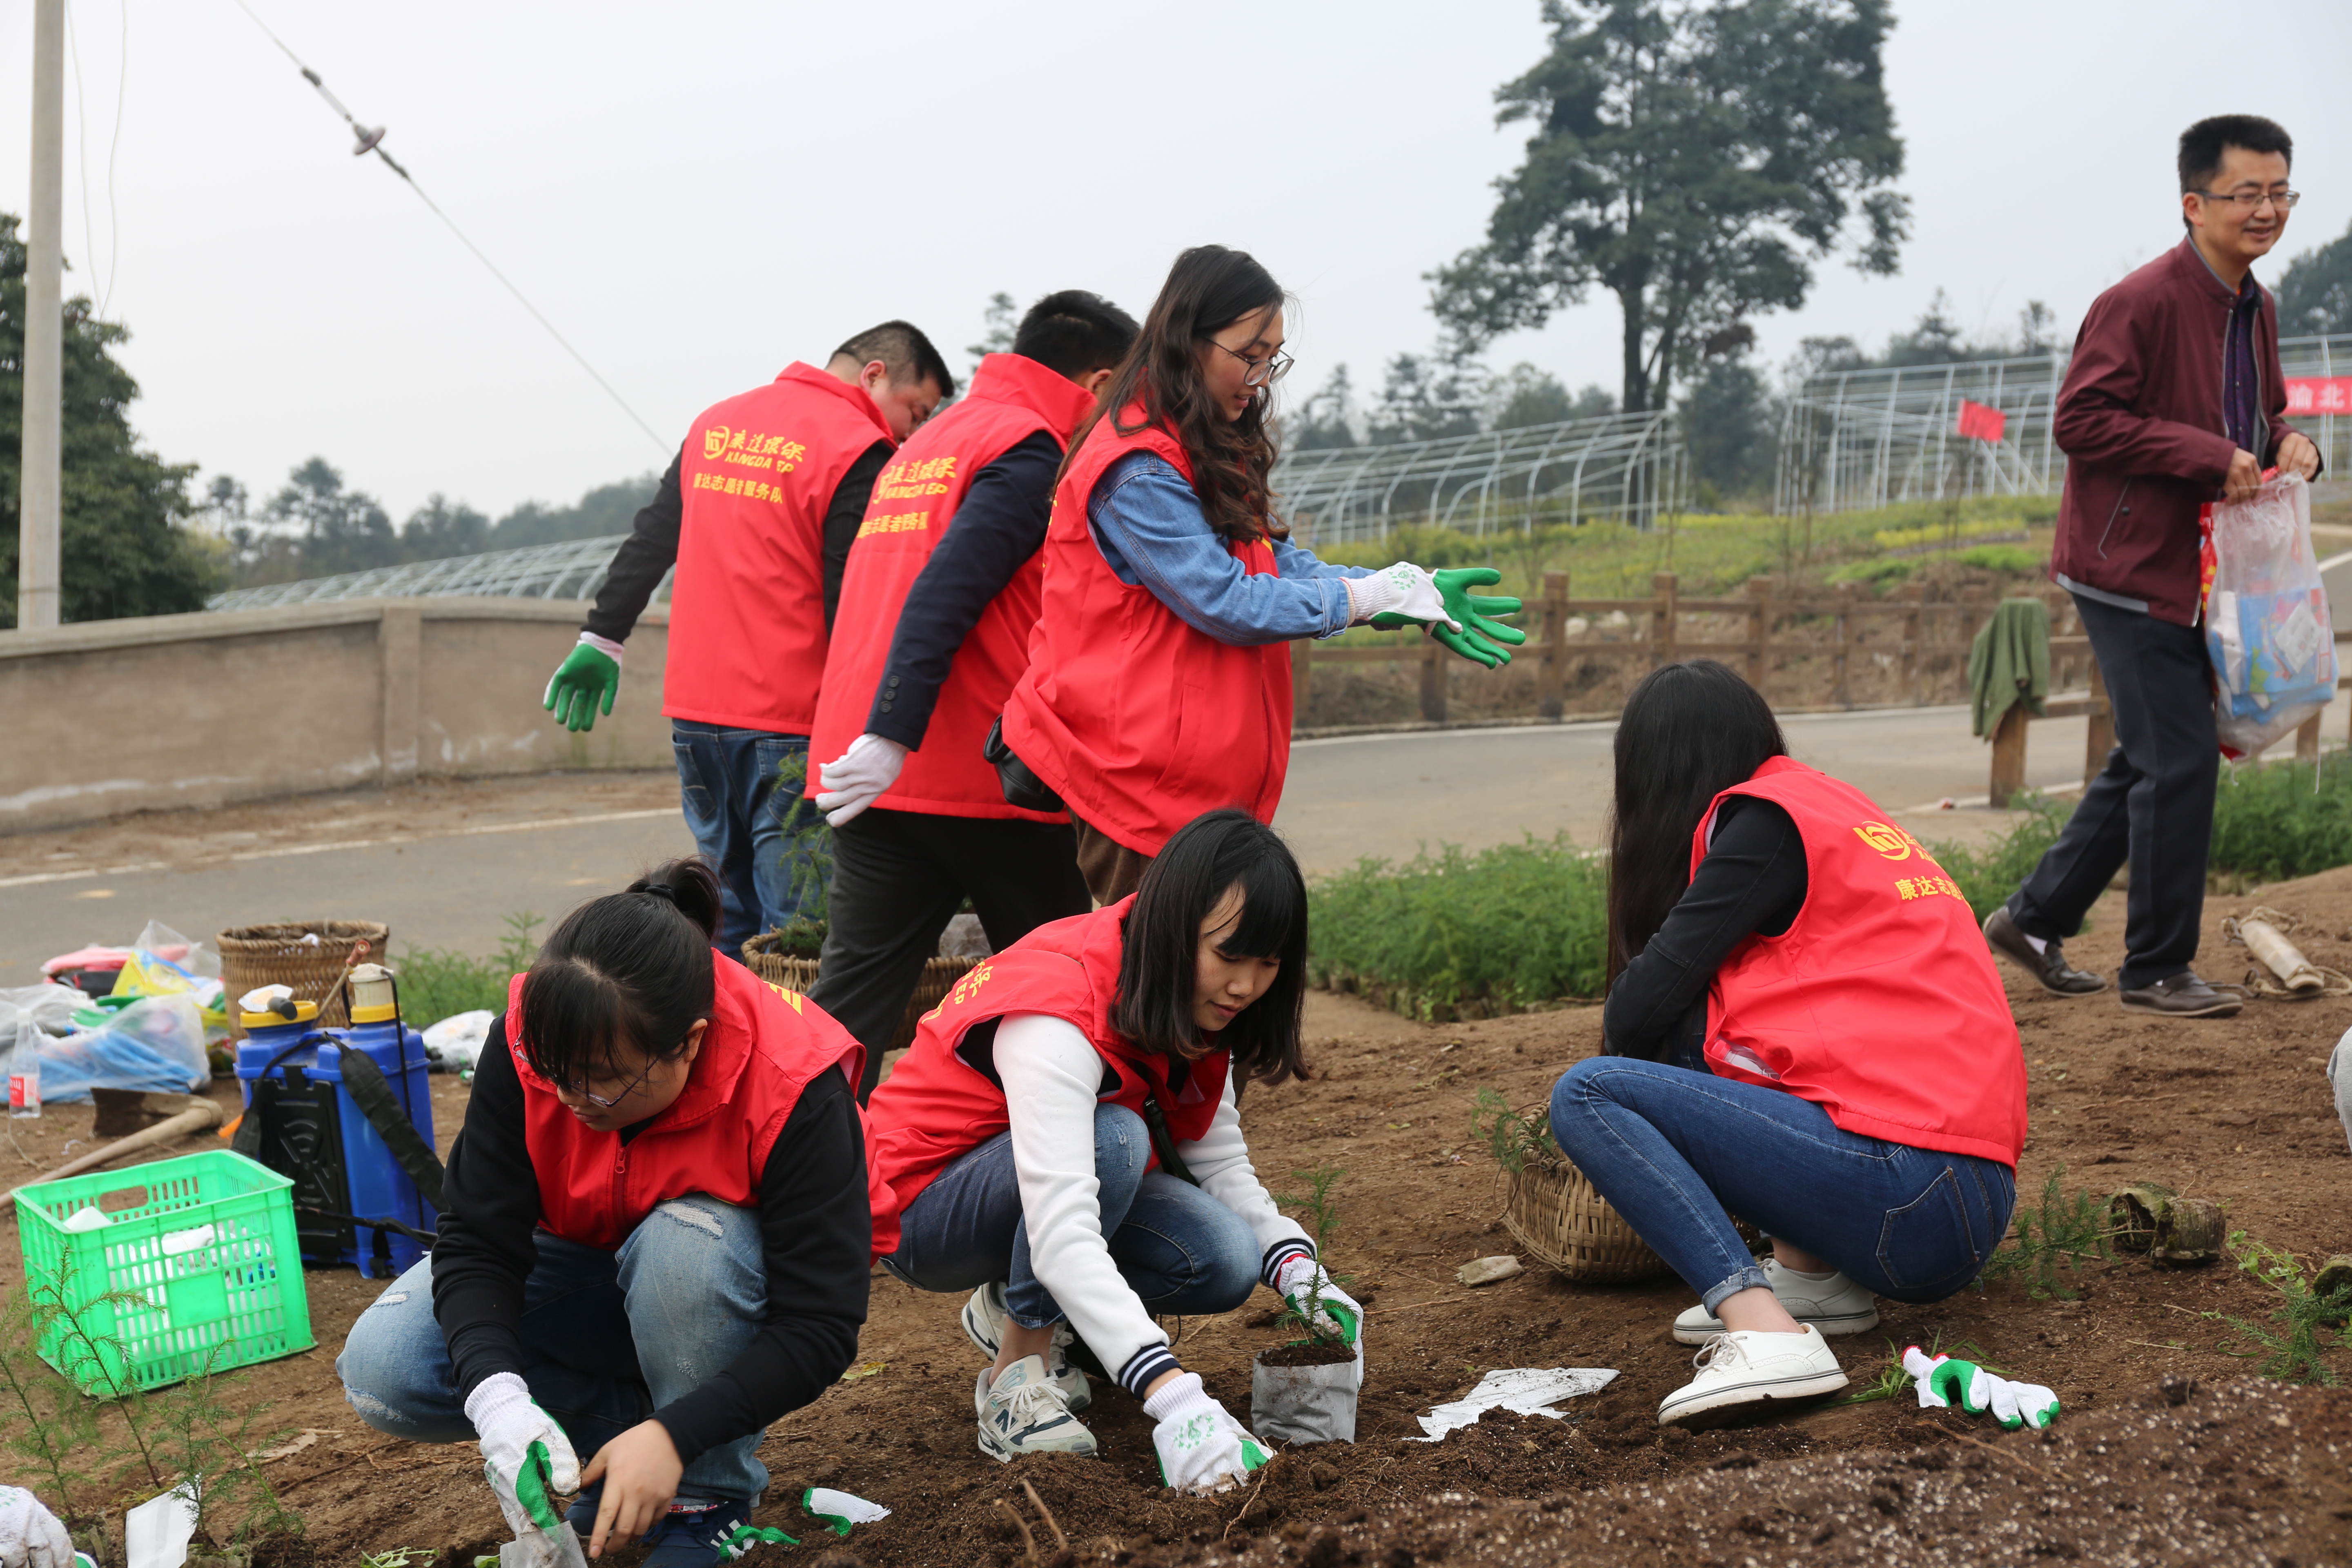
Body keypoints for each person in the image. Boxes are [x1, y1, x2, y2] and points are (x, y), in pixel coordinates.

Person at [336, 860, 873, 1567]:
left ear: (688, 1042)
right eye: (555, 1075)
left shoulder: (793, 1081)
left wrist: (679, 1435)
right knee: (387, 1370)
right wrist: (498, 1397)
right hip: (585, 1276)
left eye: (606, 1083)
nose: (569, 1100)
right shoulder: (532, 1039)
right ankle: (619, 1454)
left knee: (689, 1240)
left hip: (715, 1291)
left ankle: (704, 1494)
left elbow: (821, 1326)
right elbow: (478, 1241)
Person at [1549, 661, 2025, 1428]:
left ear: (1658, 773)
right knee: (1710, 1025)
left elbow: (1635, 1016)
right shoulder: (1824, 809)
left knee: (1590, 1091)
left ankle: (1767, 1333)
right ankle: (1814, 1284)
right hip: (1963, 1190)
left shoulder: (1762, 827)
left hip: (1916, 1188)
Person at [995, 246, 1523, 903]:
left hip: (1194, 791)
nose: (1263, 375)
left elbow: (1275, 562)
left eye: (1272, 356)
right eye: (1250, 354)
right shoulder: (1136, 468)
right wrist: (1363, 598)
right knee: (1163, 987)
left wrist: (1400, 588)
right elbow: (1225, 599)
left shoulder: (1200, 444)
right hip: (1139, 784)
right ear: (1187, 339)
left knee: (1209, 981)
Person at [860, 809, 1361, 1488]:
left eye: (1267, 963)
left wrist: (1300, 1269)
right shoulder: (1058, 1014)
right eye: (1229, 956)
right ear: (1175, 927)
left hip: (1039, 1181)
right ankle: (1016, 1372)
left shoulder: (1187, 996)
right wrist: (1176, 1399)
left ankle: (1016, 1295)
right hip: (922, 1209)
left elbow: (1215, 1157)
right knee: (1115, 1138)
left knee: (1224, 1258)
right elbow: (1063, 1229)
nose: (1245, 986)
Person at [1984, 114, 2323, 1018]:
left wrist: (2290, 443)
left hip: (2205, 569)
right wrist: (2204, 454)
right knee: (2182, 761)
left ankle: (2033, 917)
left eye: (2281, 191)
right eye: (2247, 193)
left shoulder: (2257, 304)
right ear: (2194, 203)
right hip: (2126, 565)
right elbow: (2079, 420)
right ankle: (2157, 966)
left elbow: (2265, 415)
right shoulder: (2139, 301)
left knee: (2150, 753)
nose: (2267, 210)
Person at [806, 292, 1141, 1100]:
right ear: (1098, 383)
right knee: (1074, 987)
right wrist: (898, 730)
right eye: (1128, 398)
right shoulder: (1029, 450)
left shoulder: (930, 443)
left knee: (848, 1012)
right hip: (979, 779)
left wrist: (880, 737)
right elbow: (945, 591)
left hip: (876, 777)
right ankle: (1108, 1160)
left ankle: (786, 1181)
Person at [541, 324, 957, 953]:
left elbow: (653, 540)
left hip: (696, 723)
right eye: (916, 412)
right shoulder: (857, 446)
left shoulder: (718, 424)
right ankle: (789, 1051)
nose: (910, 433)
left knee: (724, 916)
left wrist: (602, 638)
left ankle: (719, 1042)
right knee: (797, 936)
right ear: (875, 375)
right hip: (789, 729)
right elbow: (854, 606)